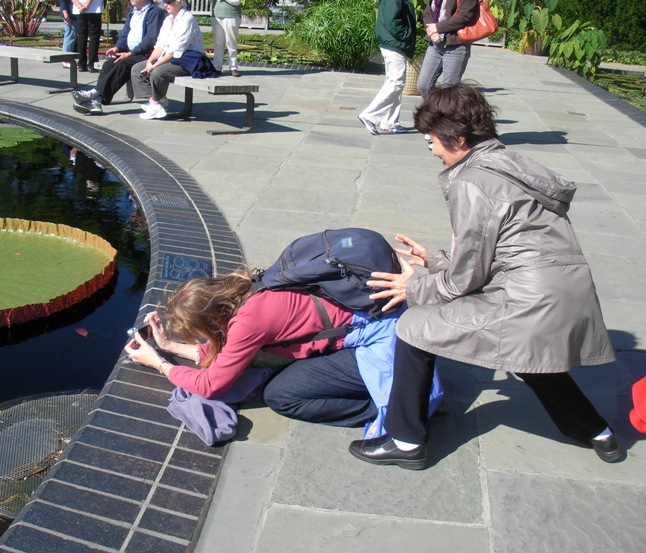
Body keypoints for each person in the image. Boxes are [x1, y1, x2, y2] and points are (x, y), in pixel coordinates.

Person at [348, 83, 622, 471]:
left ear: (457, 138)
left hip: (527, 298)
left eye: (432, 138)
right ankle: (598, 432)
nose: (430, 146)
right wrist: (438, 259)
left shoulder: (471, 180)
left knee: (414, 326)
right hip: (565, 293)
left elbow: (464, 280)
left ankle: (406, 441)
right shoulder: (510, 162)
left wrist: (416, 286)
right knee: (528, 353)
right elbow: (496, 251)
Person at [124, 267, 442, 434]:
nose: (200, 337)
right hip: (378, 318)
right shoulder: (250, 290)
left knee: (282, 396)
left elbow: (212, 384)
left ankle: (388, 405)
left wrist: (159, 364)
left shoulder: (248, 323)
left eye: (199, 330)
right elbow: (226, 354)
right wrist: (167, 345)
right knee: (272, 374)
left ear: (212, 319)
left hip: (377, 339)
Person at [72, 0, 165, 115]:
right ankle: (96, 101)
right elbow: (125, 33)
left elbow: (151, 39)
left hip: (149, 55)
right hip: (133, 53)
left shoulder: (155, 12)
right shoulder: (133, 11)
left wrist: (130, 54)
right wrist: (117, 48)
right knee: (108, 64)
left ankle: (94, 93)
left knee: (123, 63)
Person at [130, 0, 210, 121]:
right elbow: (160, 45)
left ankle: (156, 103)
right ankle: (155, 103)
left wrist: (155, 65)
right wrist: (149, 61)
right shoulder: (168, 20)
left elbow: (176, 51)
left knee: (158, 72)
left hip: (190, 60)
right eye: (164, 2)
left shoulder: (187, 19)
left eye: (169, 2)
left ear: (180, 2)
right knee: (137, 69)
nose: (165, 5)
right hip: (171, 57)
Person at [417, 0, 479, 146]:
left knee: (448, 90)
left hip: (456, 45)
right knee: (423, 85)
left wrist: (438, 27)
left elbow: (465, 15)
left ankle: (444, 132)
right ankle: (435, 121)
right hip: (435, 44)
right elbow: (428, 12)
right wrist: (431, 31)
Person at [358, 0, 416, 136]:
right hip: (394, 43)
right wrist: (406, 35)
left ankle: (389, 122)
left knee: (394, 82)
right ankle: (370, 115)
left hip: (392, 42)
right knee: (396, 82)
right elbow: (392, 21)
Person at [211, 0, 242, 77]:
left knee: (231, 42)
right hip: (216, 14)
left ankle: (233, 67)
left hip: (232, 15)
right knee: (218, 43)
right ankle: (217, 67)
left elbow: (237, 1)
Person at [72, 0, 103, 73]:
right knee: (93, 36)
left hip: (80, 9)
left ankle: (82, 64)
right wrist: (86, 4)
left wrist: (78, 4)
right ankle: (92, 64)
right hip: (94, 8)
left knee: (82, 36)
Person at [59, 0, 78, 69]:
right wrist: (66, 15)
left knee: (72, 36)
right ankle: (65, 60)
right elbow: (62, 2)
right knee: (70, 36)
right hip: (69, 14)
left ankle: (68, 58)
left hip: (74, 14)